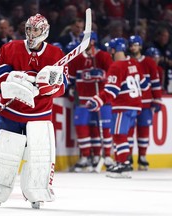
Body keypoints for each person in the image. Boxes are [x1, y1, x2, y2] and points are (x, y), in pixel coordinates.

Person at [0, 13, 68, 209]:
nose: (31, 33)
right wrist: (15, 79)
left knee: (38, 157)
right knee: (5, 155)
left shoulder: (56, 54)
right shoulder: (10, 48)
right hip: (10, 113)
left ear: (44, 31)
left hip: (39, 116)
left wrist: (49, 86)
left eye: (35, 29)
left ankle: (36, 191)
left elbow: (63, 87)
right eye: (28, 29)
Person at [86, 37, 149, 178]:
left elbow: (111, 91)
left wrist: (97, 100)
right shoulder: (134, 63)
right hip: (136, 107)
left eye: (110, 50)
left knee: (119, 135)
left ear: (113, 50)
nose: (109, 52)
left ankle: (123, 165)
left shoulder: (116, 66)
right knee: (125, 136)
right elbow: (145, 85)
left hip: (123, 106)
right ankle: (123, 162)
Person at [68, 32, 114, 172]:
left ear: (93, 42)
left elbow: (113, 76)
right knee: (81, 127)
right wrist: (71, 90)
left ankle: (104, 156)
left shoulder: (103, 56)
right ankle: (86, 157)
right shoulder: (76, 58)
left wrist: (101, 74)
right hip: (82, 100)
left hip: (101, 100)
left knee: (102, 128)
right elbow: (70, 79)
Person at [128, 35, 162, 170]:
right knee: (128, 132)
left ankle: (142, 156)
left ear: (140, 46)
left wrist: (157, 99)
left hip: (146, 104)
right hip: (130, 103)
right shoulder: (128, 62)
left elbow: (155, 82)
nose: (133, 47)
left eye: (135, 44)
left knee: (143, 131)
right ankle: (127, 157)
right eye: (131, 45)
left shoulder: (149, 62)